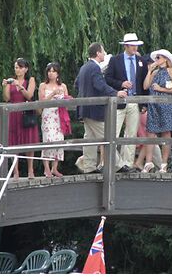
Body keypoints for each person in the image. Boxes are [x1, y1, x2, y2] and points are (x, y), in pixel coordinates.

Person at [75, 42, 129, 174]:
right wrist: (116, 93)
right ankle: (118, 165)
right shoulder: (94, 68)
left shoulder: (84, 67)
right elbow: (100, 85)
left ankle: (89, 166)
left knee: (90, 139)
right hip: (94, 109)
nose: (105, 53)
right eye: (103, 51)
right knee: (107, 137)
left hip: (85, 109)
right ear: (98, 53)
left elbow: (77, 84)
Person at [105, 33, 148, 170]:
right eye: (132, 45)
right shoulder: (115, 60)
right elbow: (107, 79)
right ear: (126, 46)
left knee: (131, 134)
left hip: (135, 100)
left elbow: (143, 83)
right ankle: (114, 163)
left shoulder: (141, 61)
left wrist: (144, 103)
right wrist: (121, 83)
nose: (135, 47)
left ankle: (127, 163)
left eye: (136, 45)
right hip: (120, 100)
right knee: (114, 132)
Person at [142, 49, 172, 173]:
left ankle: (164, 163)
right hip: (154, 105)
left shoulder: (171, 71)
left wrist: (161, 89)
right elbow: (145, 86)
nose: (156, 60)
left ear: (165, 59)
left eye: (158, 58)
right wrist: (149, 71)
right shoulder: (155, 72)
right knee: (150, 132)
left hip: (166, 105)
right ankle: (148, 162)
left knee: (166, 133)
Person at [2, 58, 39, 179]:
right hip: (13, 114)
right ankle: (15, 171)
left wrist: (20, 86)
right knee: (14, 142)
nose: (17, 70)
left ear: (26, 69)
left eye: (20, 67)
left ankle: (30, 170)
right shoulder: (11, 81)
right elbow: (7, 98)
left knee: (29, 141)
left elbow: (29, 95)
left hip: (25, 112)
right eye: (16, 67)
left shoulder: (30, 80)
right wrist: (6, 86)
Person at [38, 62, 69, 178]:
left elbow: (67, 99)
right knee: (48, 140)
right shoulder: (43, 85)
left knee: (58, 140)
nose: (51, 73)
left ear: (58, 73)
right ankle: (46, 169)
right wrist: (53, 94)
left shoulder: (63, 86)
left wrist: (63, 98)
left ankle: (54, 168)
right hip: (48, 115)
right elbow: (41, 102)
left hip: (59, 116)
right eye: (49, 71)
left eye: (53, 71)